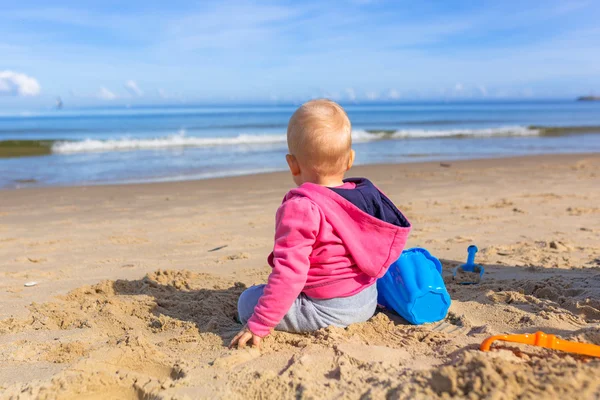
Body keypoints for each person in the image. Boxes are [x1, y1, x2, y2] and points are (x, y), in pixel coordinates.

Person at [230, 99, 411, 349]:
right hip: (367, 300)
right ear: (349, 160)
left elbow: (290, 272)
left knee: (247, 301)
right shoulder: (364, 197)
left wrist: (260, 323)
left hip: (329, 311)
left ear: (292, 164)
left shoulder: (301, 207)